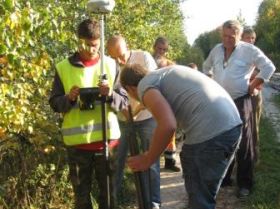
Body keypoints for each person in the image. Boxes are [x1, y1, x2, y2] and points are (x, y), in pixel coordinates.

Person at [120, 64, 242, 209]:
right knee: (203, 196)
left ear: (130, 88)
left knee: (200, 200)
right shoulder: (163, 74)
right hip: (231, 127)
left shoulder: (145, 85)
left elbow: (167, 125)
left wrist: (148, 158)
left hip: (210, 133)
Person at [49, 19, 129, 209]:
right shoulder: (63, 67)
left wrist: (110, 94)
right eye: (86, 44)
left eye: (95, 45)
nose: (91, 49)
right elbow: (54, 103)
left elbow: (125, 102)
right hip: (77, 147)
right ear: (78, 40)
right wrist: (68, 99)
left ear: (100, 42)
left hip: (107, 144)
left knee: (109, 198)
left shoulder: (111, 65)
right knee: (82, 200)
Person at [203, 20, 275, 198]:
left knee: (244, 144)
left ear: (239, 35)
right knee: (222, 141)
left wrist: (254, 84)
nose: (227, 40)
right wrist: (210, 81)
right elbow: (206, 67)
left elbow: (269, 67)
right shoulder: (217, 49)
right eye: (225, 36)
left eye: (232, 36)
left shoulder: (248, 50)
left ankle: (245, 184)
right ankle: (224, 178)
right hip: (220, 102)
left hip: (242, 101)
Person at [107, 35, 161, 209]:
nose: (119, 60)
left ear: (127, 47)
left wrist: (144, 105)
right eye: (114, 57)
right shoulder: (111, 65)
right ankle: (112, 202)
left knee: (150, 159)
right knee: (116, 162)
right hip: (123, 121)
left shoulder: (143, 57)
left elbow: (155, 81)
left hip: (146, 117)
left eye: (121, 55)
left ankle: (153, 203)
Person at [153, 36, 180, 172]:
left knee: (170, 132)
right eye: (159, 48)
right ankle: (153, 161)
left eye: (164, 49)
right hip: (152, 102)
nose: (162, 51)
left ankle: (170, 161)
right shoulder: (148, 62)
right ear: (154, 47)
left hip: (167, 101)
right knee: (154, 132)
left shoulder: (170, 64)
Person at [242, 26, 263, 164]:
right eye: (247, 37)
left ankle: (253, 157)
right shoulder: (237, 52)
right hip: (239, 95)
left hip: (254, 94)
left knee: (253, 126)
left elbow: (264, 72)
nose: (250, 40)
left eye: (253, 38)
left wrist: (252, 81)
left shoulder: (256, 53)